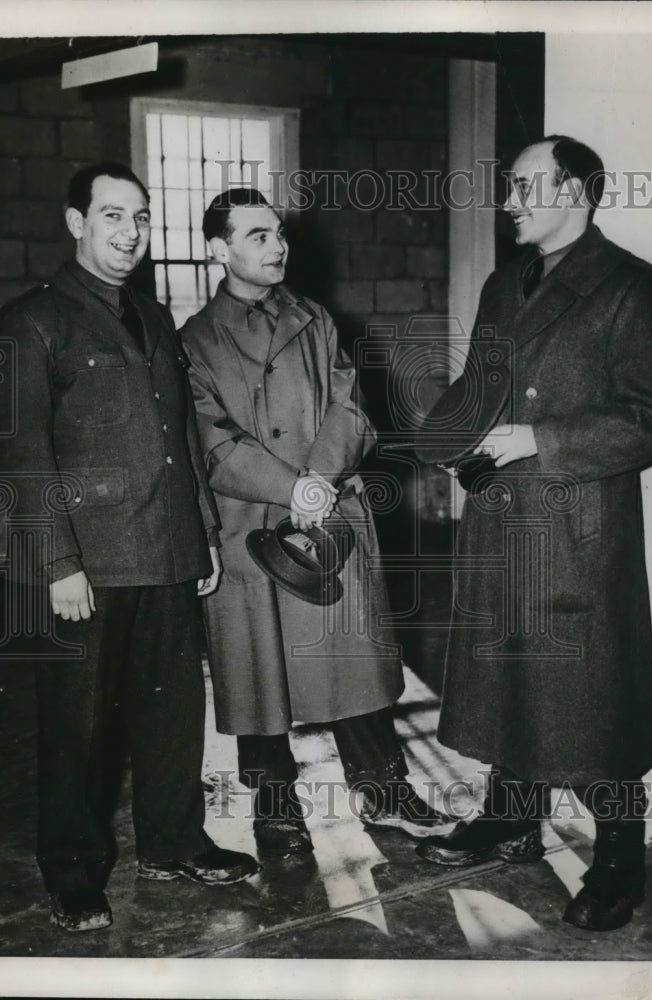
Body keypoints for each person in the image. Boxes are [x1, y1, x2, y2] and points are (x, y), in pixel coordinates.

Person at [0, 163, 259, 933]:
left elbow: (180, 439)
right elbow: (23, 456)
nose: (130, 232)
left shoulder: (154, 317)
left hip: (166, 550)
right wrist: (58, 562)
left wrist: (200, 533)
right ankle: (73, 870)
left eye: (138, 217)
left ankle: (174, 842)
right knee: (77, 727)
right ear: (77, 223)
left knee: (173, 715)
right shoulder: (28, 322)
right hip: (87, 567)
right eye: (112, 216)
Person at [415, 136, 652, 932]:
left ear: (578, 193)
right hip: (502, 517)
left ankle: (618, 861)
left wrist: (540, 440)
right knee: (510, 683)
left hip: (578, 530)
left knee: (594, 701)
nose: (510, 201)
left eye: (526, 186)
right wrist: (428, 440)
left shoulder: (634, 289)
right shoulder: (505, 284)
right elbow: (478, 386)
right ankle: (511, 818)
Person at [179, 188, 453, 859]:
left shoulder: (315, 319)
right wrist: (287, 486)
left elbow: (351, 409)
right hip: (251, 528)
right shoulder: (190, 342)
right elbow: (210, 439)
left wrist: (317, 484)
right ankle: (277, 815)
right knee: (258, 680)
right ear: (219, 249)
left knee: (352, 666)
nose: (277, 246)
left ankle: (385, 794)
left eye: (278, 233)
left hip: (326, 518)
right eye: (257, 236)